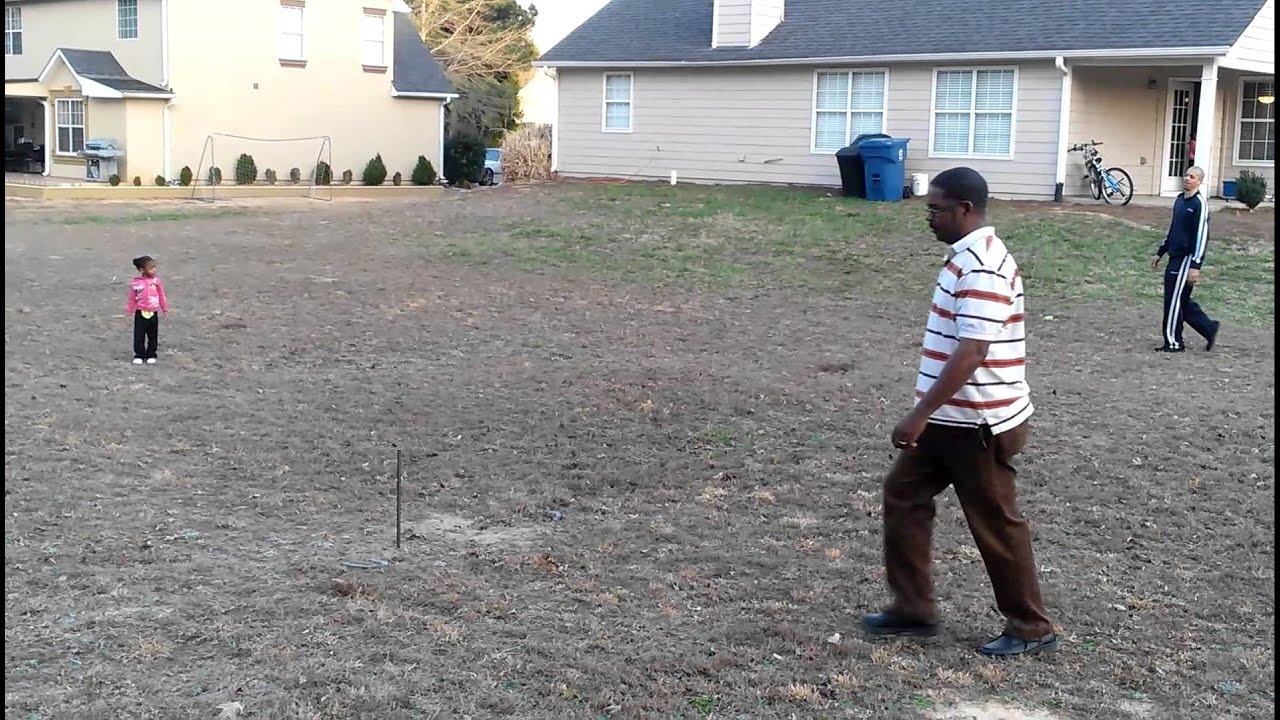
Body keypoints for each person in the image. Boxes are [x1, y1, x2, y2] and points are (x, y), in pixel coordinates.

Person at [861, 167, 1057, 658]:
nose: (929, 217)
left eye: (936, 208)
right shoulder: (963, 258)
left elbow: (973, 351)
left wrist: (917, 414)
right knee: (903, 494)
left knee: (994, 521)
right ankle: (914, 609)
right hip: (951, 418)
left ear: (965, 209)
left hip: (978, 422)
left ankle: (1031, 625)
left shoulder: (983, 266)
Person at [1152, 166, 1220, 353]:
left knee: (1173, 300)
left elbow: (1202, 236)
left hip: (1186, 259)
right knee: (1180, 299)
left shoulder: (1200, 205)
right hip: (1174, 255)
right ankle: (1208, 327)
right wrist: (1161, 251)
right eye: (1187, 175)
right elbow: (1174, 229)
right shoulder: (1180, 201)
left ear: (1199, 181)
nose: (1188, 179)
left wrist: (1195, 266)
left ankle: (1173, 342)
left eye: (1192, 176)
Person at [126, 255, 169, 364]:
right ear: (142, 270)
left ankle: (151, 354)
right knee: (139, 335)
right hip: (140, 312)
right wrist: (130, 311)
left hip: (153, 312)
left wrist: (165, 309)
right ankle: (139, 355)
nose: (154, 270)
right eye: (151, 268)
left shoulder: (156, 281)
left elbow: (161, 295)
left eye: (155, 267)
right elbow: (132, 298)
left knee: (152, 335)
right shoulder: (136, 283)